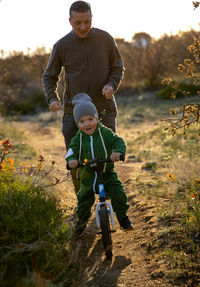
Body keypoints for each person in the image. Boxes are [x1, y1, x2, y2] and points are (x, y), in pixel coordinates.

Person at [42, 1, 124, 192]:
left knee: (106, 153)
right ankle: (82, 201)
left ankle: (106, 196)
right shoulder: (61, 45)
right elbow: (49, 76)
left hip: (104, 108)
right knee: (75, 158)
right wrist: (52, 98)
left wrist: (111, 85)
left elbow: (118, 67)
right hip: (73, 113)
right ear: (70, 21)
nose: (83, 27)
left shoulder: (105, 39)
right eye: (78, 23)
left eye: (87, 21)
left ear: (91, 18)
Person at [65, 93, 133, 235]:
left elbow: (118, 141)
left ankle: (123, 218)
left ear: (96, 117)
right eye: (82, 121)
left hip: (106, 172)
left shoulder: (105, 132)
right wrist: (71, 160)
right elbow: (72, 151)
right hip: (88, 176)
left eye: (90, 119)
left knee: (118, 193)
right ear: (77, 124)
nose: (87, 124)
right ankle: (81, 223)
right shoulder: (78, 138)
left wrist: (118, 152)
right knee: (83, 199)